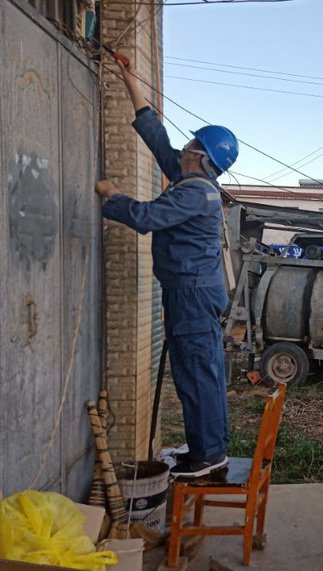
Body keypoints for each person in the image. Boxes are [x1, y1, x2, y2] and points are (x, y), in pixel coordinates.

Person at [95, 59, 239, 478]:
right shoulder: (192, 179)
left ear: (199, 155)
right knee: (198, 371)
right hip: (192, 291)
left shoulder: (196, 194)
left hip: (192, 294)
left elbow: (144, 217)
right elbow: (157, 138)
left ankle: (209, 455)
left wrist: (112, 195)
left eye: (191, 143)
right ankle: (208, 448)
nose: (184, 146)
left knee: (196, 374)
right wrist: (128, 78)